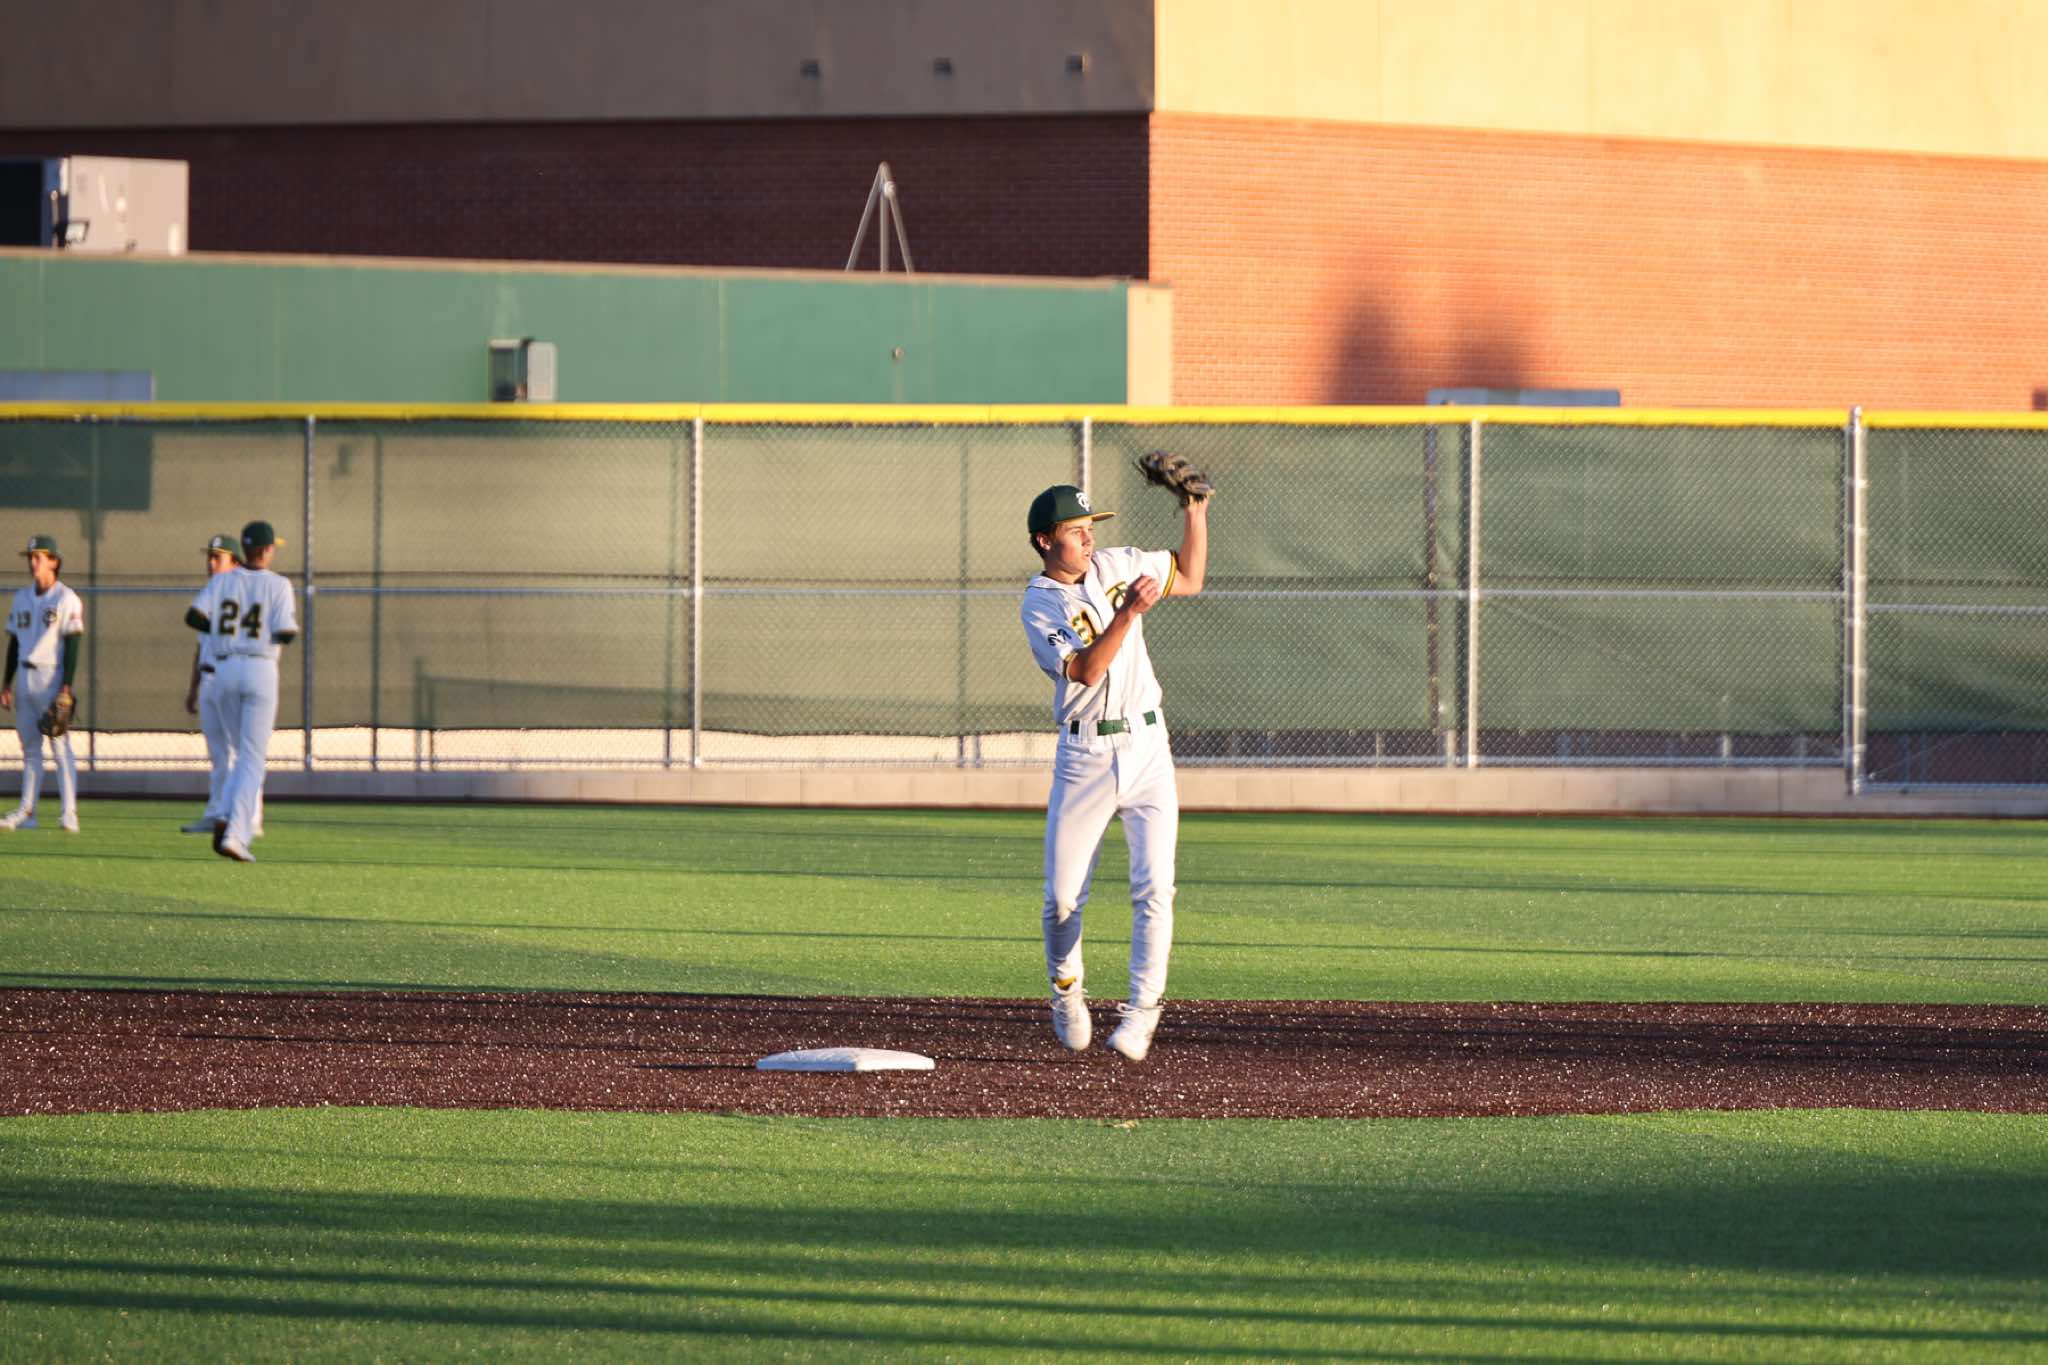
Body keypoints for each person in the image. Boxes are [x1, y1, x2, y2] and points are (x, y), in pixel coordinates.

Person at [1019, 480, 1208, 1062]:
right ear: (1045, 541)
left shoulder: (1118, 564)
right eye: (1075, 531)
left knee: (1155, 886)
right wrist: (1127, 613)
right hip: (1085, 757)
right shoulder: (1040, 604)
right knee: (1062, 899)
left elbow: (1190, 577)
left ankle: (1143, 1009)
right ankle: (1066, 991)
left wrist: (1196, 511)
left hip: (1149, 745)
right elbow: (1085, 670)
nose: (1088, 539)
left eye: (1089, 528)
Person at [186, 520, 297, 863]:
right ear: (267, 550)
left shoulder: (222, 582)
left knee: (238, 755)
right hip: (260, 668)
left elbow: (193, 617)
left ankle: (223, 813)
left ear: (244, 550)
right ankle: (236, 833)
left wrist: (222, 630)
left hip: (224, 669)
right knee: (252, 758)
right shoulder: (279, 584)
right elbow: (287, 633)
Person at [1, 535, 86, 833]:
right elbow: (14, 642)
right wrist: (6, 683)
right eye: (31, 557)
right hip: (25, 677)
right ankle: (28, 812)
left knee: (60, 746)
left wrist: (67, 686)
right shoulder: (21, 598)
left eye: (39, 557)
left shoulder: (66, 598)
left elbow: (73, 643)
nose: (33, 562)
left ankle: (69, 813)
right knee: (30, 749)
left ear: (54, 561)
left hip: (51, 676)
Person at [180, 533, 253, 837]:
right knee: (219, 756)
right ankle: (216, 814)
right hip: (209, 678)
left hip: (231, 676)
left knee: (241, 752)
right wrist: (193, 688)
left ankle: (247, 817)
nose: (210, 563)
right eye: (209, 557)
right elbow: (201, 646)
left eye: (217, 557)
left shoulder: (244, 594)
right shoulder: (210, 593)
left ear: (234, 562)